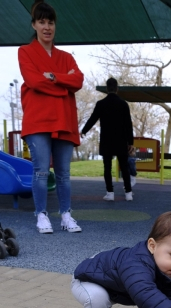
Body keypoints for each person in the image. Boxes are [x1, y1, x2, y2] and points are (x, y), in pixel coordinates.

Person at [18, 1, 83, 234]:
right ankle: (41, 215)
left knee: (64, 173)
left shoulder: (65, 57)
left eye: (51, 22)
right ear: (34, 24)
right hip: (38, 121)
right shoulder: (25, 51)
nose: (47, 27)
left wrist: (54, 77)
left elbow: (79, 81)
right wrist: (64, 83)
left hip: (63, 120)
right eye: (42, 22)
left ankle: (66, 215)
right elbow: (33, 81)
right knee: (41, 170)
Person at [81, 77, 133, 202]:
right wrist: (130, 142)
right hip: (121, 140)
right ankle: (128, 193)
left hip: (107, 140)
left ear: (106, 88)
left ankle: (110, 193)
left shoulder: (101, 104)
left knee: (107, 167)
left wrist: (84, 130)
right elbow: (128, 124)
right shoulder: (123, 104)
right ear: (117, 88)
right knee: (124, 167)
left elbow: (92, 119)